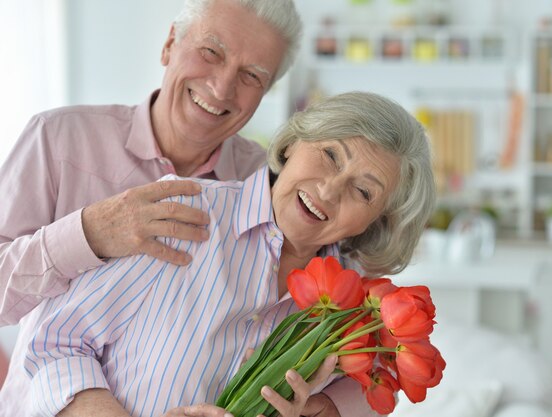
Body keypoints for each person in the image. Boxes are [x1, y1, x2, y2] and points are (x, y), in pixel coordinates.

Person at [0, 0, 376, 415]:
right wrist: (88, 234)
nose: (221, 87)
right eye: (211, 52)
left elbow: (357, 306)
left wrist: (328, 403)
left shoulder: (268, 183)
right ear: (168, 45)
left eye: (252, 76)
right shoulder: (59, 139)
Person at [0, 91, 436, 417]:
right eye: (328, 156)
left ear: (375, 221)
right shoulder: (187, 213)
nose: (328, 189)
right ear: (291, 146)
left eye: (362, 191)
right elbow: (55, 345)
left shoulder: (351, 313)